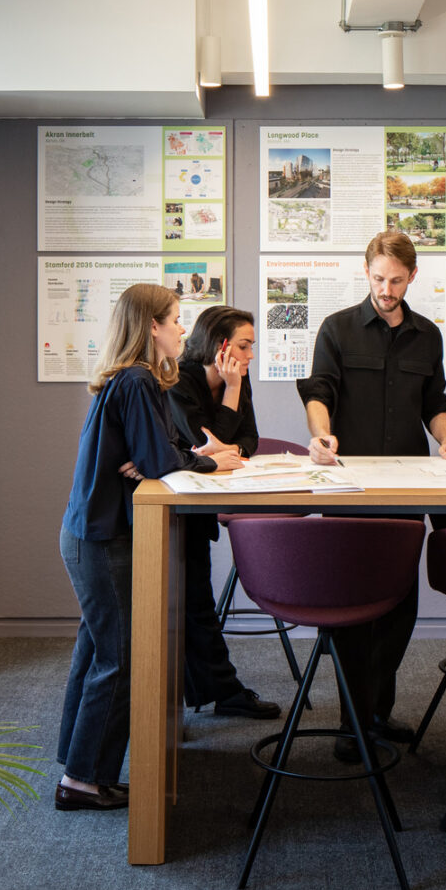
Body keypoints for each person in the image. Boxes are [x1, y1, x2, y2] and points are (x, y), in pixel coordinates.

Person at [54, 284, 245, 811]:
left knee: (96, 650)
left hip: (91, 535)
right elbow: (161, 461)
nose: (184, 330)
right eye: (177, 320)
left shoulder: (135, 380)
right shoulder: (138, 380)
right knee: (120, 657)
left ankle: (78, 768)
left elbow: (159, 453)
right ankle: (83, 781)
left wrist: (172, 456)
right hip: (102, 538)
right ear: (152, 327)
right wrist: (206, 462)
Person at [298, 230, 446, 756]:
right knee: (355, 608)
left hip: (408, 484)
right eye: (379, 278)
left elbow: (434, 400)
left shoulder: (427, 335)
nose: (387, 289)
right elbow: (319, 392)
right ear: (366, 271)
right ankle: (354, 723)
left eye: (396, 280)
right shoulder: (337, 328)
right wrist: (322, 434)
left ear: (412, 276)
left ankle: (378, 712)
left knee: (399, 607)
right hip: (350, 484)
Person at [167, 305, 280, 721]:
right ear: (222, 345)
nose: (251, 356)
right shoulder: (180, 380)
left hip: (206, 498)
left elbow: (246, 438)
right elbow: (204, 442)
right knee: (192, 598)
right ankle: (219, 689)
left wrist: (228, 448)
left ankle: (215, 689)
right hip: (176, 503)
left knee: (194, 597)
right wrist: (231, 393)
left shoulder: (238, 379)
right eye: (246, 346)